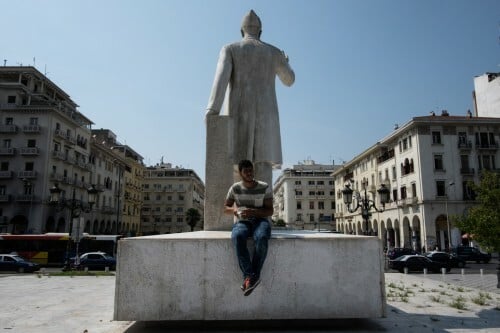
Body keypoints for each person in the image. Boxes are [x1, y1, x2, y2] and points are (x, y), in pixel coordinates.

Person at [205, 10, 295, 186]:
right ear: (260, 32)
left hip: (238, 116)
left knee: (239, 171)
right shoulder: (274, 52)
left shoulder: (230, 49)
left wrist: (212, 110)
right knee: (263, 172)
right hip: (266, 119)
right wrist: (286, 61)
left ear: (241, 31)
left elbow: (220, 80)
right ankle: (263, 213)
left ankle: (240, 213)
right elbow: (289, 80)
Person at [224, 160, 273, 296]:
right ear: (240, 173)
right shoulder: (235, 188)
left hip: (260, 220)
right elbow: (226, 208)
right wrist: (235, 210)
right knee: (237, 236)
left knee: (262, 237)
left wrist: (254, 212)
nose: (250, 173)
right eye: (246, 171)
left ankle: (250, 278)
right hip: (242, 222)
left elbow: (270, 211)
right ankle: (250, 276)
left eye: (251, 170)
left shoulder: (264, 186)